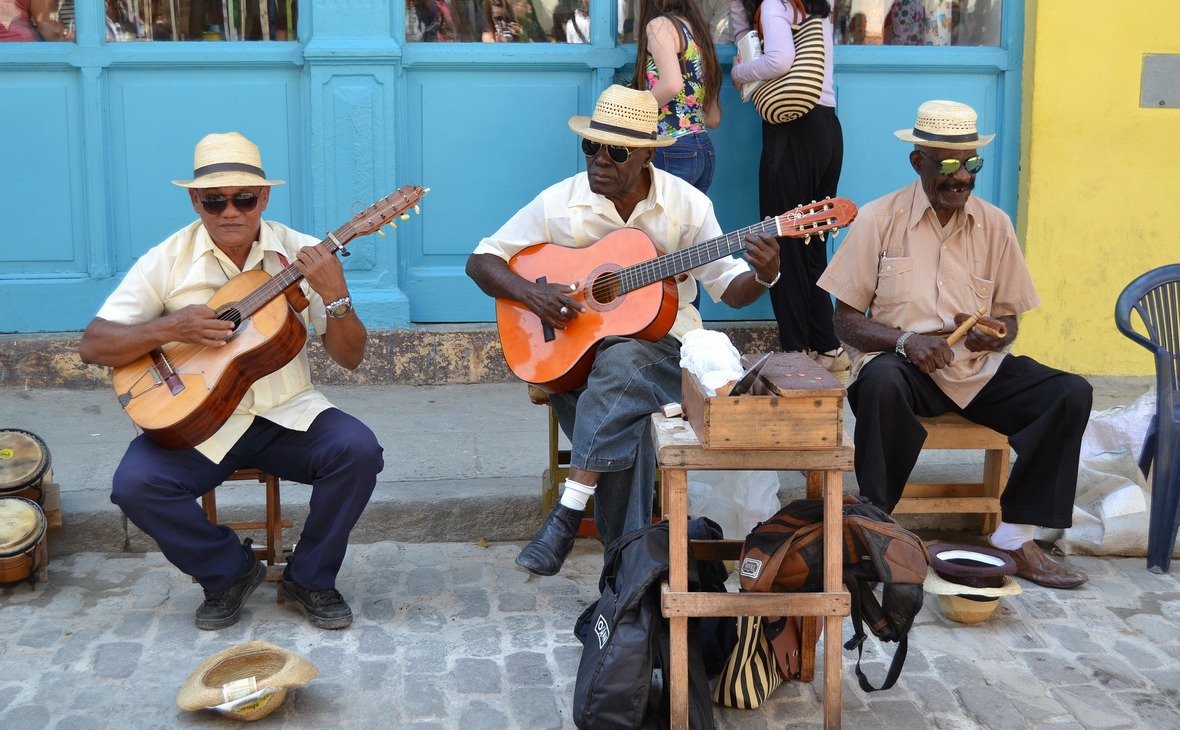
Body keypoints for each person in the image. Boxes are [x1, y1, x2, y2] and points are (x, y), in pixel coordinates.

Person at [465, 85, 780, 576]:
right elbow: (482, 260)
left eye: (615, 152)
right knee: (623, 413)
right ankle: (627, 574)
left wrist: (763, 275)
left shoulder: (687, 205)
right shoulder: (560, 201)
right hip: (575, 362)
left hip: (665, 355)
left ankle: (570, 517)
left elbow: (728, 286)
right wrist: (534, 296)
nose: (599, 162)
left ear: (647, 156)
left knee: (625, 360)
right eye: (591, 147)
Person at [78, 132, 385, 629]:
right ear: (194, 200)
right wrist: (171, 327)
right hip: (200, 422)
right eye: (213, 200)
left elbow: (351, 358)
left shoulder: (303, 254)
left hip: (287, 414)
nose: (230, 211)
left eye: (244, 198)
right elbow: (93, 344)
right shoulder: (168, 259)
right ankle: (228, 572)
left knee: (359, 451)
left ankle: (309, 578)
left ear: (263, 197)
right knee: (135, 485)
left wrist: (337, 294)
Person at [816, 100, 1092, 589]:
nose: (961, 176)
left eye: (971, 164)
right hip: (905, 368)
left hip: (974, 371)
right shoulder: (879, 218)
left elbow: (1008, 317)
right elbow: (845, 321)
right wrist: (905, 341)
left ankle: (1013, 537)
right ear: (916, 161)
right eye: (946, 164)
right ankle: (877, 529)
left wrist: (996, 333)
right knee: (878, 382)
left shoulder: (995, 225)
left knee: (1069, 393)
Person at [730, 0, 847, 379]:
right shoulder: (813, 5)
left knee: (781, 243)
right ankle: (827, 346)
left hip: (792, 132)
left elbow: (779, 61)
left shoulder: (772, 3)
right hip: (827, 129)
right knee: (812, 244)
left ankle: (796, 350)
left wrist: (740, 69)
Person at [631, 0, 722, 194]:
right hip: (704, 149)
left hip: (671, 146)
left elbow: (672, 85)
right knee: (689, 224)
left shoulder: (660, 25)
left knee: (659, 223)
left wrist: (630, 113)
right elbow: (713, 119)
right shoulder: (698, 32)